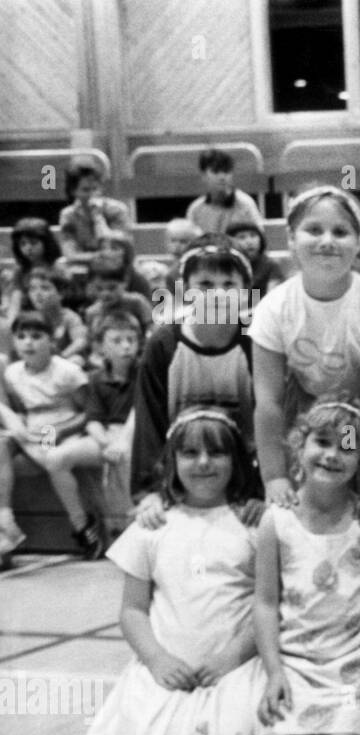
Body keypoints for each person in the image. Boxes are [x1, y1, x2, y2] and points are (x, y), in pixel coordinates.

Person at [60, 408, 266, 735]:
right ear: (171, 462)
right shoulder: (151, 526)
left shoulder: (253, 525)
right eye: (189, 453)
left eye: (217, 453)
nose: (203, 462)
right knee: (143, 731)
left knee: (241, 733)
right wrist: (157, 659)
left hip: (235, 663)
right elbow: (133, 610)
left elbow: (267, 608)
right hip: (167, 663)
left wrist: (231, 657)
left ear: (237, 461)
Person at [255, 398, 360, 735]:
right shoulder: (277, 521)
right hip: (296, 664)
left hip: (351, 662)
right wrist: (273, 672)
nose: (333, 455)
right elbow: (266, 603)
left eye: (347, 446)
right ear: (299, 446)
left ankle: (347, 724)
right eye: (322, 442)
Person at [248, 185, 360, 520]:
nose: (327, 241)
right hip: (310, 413)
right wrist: (274, 476)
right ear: (291, 238)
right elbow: (268, 403)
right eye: (313, 230)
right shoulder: (274, 308)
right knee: (307, 506)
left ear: (358, 242)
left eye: (340, 232)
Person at [131, 236, 257, 515]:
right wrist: (149, 492)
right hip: (179, 477)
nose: (218, 295)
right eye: (205, 285)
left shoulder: (257, 342)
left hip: (246, 482)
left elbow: (270, 420)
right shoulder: (163, 344)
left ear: (246, 291)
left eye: (229, 285)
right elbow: (149, 422)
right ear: (185, 289)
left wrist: (261, 490)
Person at [0, 312, 104, 558]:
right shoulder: (12, 372)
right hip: (31, 426)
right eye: (21, 337)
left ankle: (82, 525)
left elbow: (88, 413)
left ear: (51, 341)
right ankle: (5, 518)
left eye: (36, 336)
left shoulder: (67, 371)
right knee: (1, 442)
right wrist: (18, 427)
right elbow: (21, 408)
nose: (28, 343)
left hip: (59, 425)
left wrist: (62, 430)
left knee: (52, 459)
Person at [84, 309, 141, 542]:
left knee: (124, 456)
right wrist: (105, 442)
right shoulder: (96, 378)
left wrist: (120, 442)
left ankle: (129, 525)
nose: (126, 346)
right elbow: (91, 420)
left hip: (135, 430)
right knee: (55, 458)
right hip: (104, 434)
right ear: (101, 347)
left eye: (131, 340)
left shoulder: (144, 371)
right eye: (117, 341)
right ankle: (83, 527)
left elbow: (140, 413)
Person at [57, 165, 131, 266]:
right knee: (60, 264)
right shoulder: (68, 215)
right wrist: (98, 257)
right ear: (73, 191)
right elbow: (70, 254)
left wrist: (98, 217)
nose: (93, 195)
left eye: (95, 189)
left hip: (117, 265)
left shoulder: (117, 210)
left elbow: (114, 246)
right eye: (86, 190)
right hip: (84, 264)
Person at [186, 148, 264, 236]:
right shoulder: (195, 209)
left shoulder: (245, 204)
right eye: (216, 172)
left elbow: (258, 237)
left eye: (226, 171)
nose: (222, 177)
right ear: (204, 175)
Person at [226, 220, 285, 300]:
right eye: (242, 237)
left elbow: (274, 298)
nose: (249, 242)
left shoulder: (270, 265)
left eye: (253, 236)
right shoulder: (226, 265)